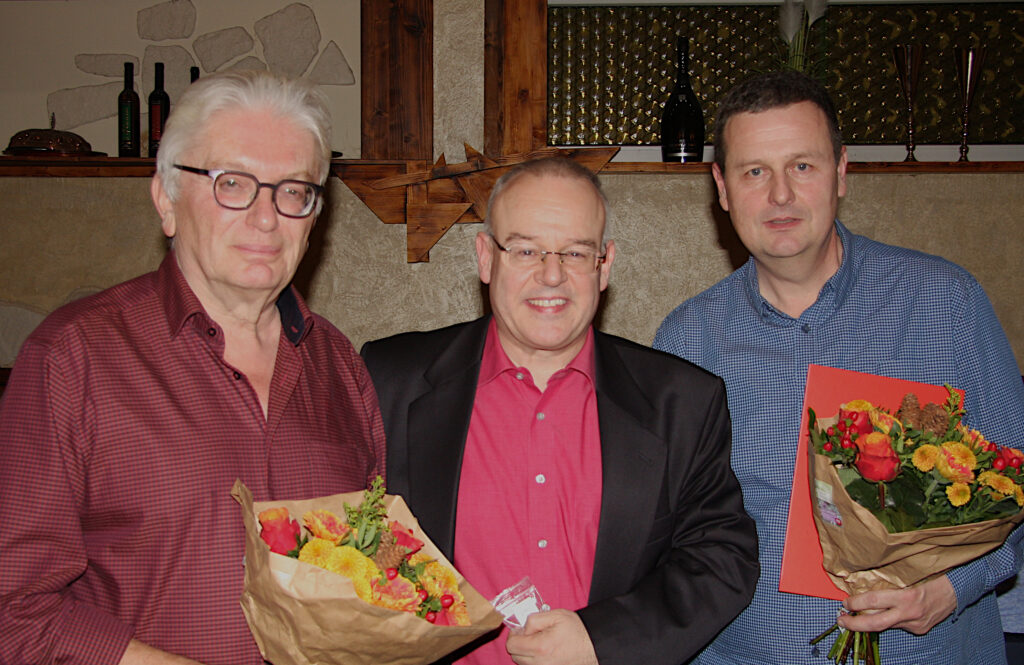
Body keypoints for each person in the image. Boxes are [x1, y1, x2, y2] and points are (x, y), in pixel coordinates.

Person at [0, 70, 386, 664]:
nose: (266, 218)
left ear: (314, 217)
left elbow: (373, 569)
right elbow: (12, 610)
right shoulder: (72, 360)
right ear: (167, 199)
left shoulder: (341, 368)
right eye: (233, 183)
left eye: (293, 191)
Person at [653, 70, 1024, 665]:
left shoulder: (944, 303)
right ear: (721, 187)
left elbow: (1017, 484)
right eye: (754, 171)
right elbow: (669, 535)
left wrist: (951, 589)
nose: (779, 195)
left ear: (842, 170)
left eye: (802, 166)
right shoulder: (689, 341)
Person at [361, 156, 759, 665]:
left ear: (604, 265)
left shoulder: (681, 402)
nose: (552, 274)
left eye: (575, 252)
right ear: (486, 258)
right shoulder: (387, 379)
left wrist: (604, 640)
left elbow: (721, 558)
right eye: (525, 249)